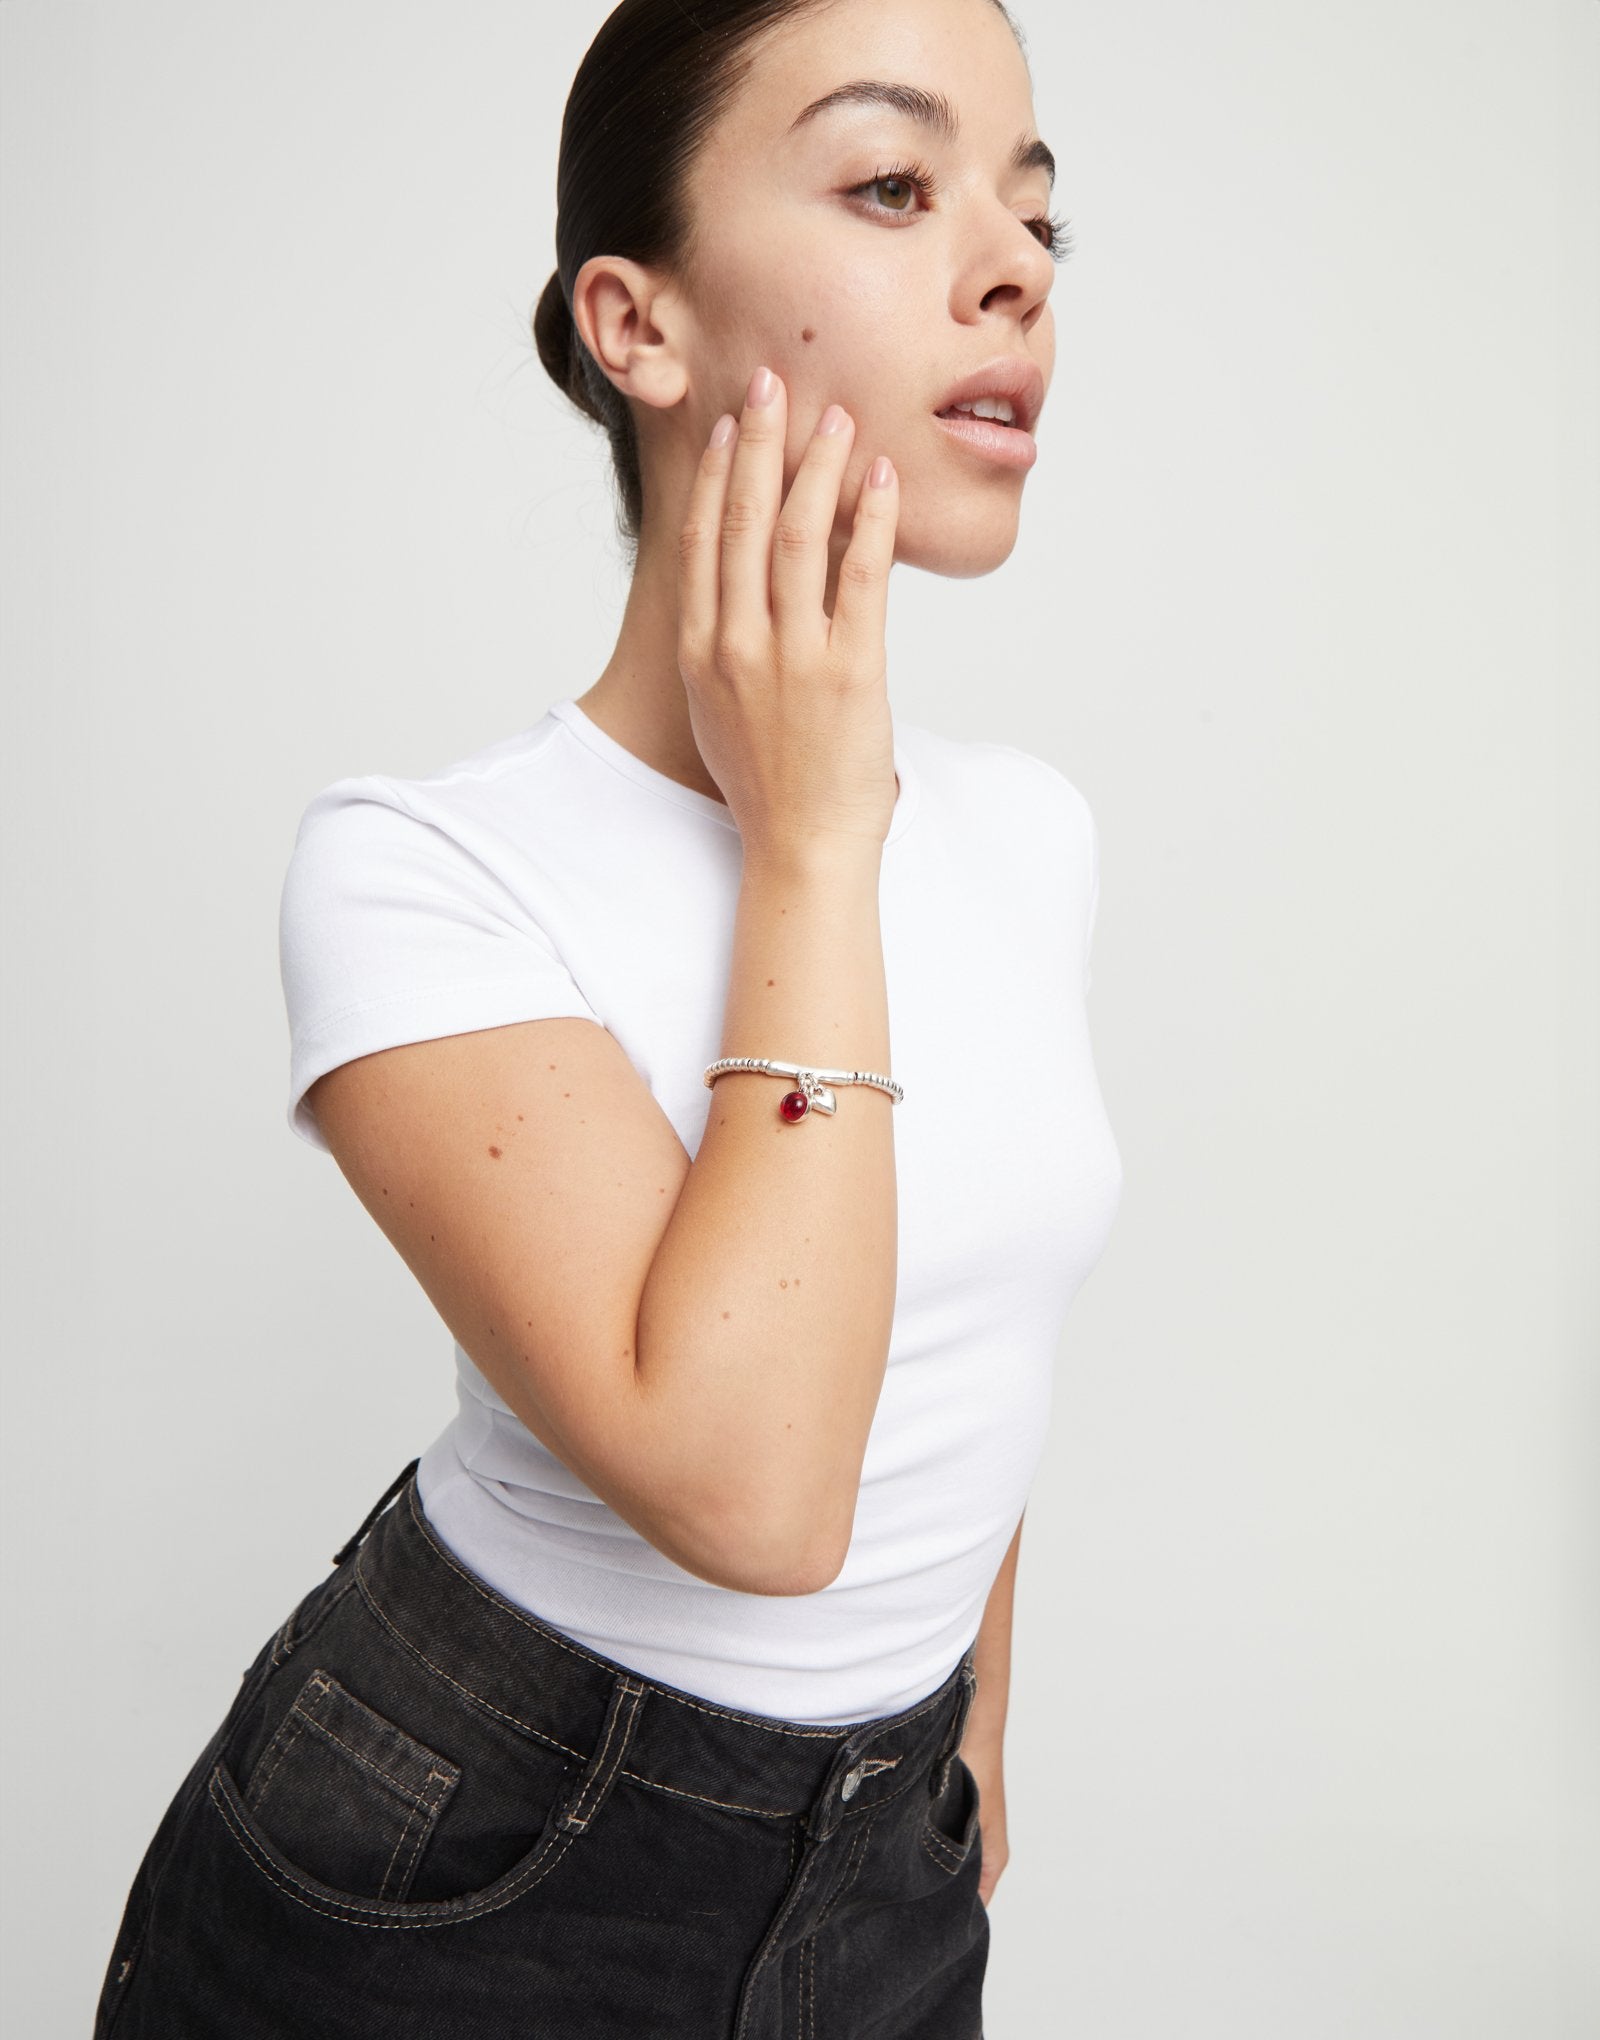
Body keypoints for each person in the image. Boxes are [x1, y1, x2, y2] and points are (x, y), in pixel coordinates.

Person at [93, 0, 1123, 2031]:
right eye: (893, 185)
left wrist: (970, 1725)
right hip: (476, 1860)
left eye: (1032, 210)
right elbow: (750, 1493)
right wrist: (809, 846)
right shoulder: (420, 869)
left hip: (885, 1855)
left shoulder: (1028, 836)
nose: (1008, 266)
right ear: (634, 326)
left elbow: (969, 1319)